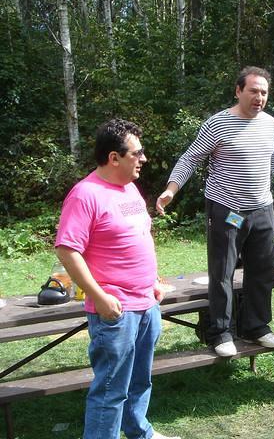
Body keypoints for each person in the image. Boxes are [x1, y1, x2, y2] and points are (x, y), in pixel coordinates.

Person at [156, 66, 274, 357]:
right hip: (227, 210)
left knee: (262, 271)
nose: (259, 97)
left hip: (262, 209)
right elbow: (190, 158)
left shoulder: (270, 125)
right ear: (238, 91)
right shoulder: (218, 124)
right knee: (223, 272)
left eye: (264, 92)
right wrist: (171, 189)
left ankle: (257, 327)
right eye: (253, 91)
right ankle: (221, 332)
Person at [55, 119, 180, 439]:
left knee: (140, 380)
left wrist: (152, 281)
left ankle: (140, 432)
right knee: (111, 389)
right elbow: (68, 250)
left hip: (146, 303)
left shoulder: (129, 189)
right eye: (137, 153)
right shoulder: (85, 195)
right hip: (116, 309)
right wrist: (97, 296)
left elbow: (139, 235)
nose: (144, 159)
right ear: (114, 157)